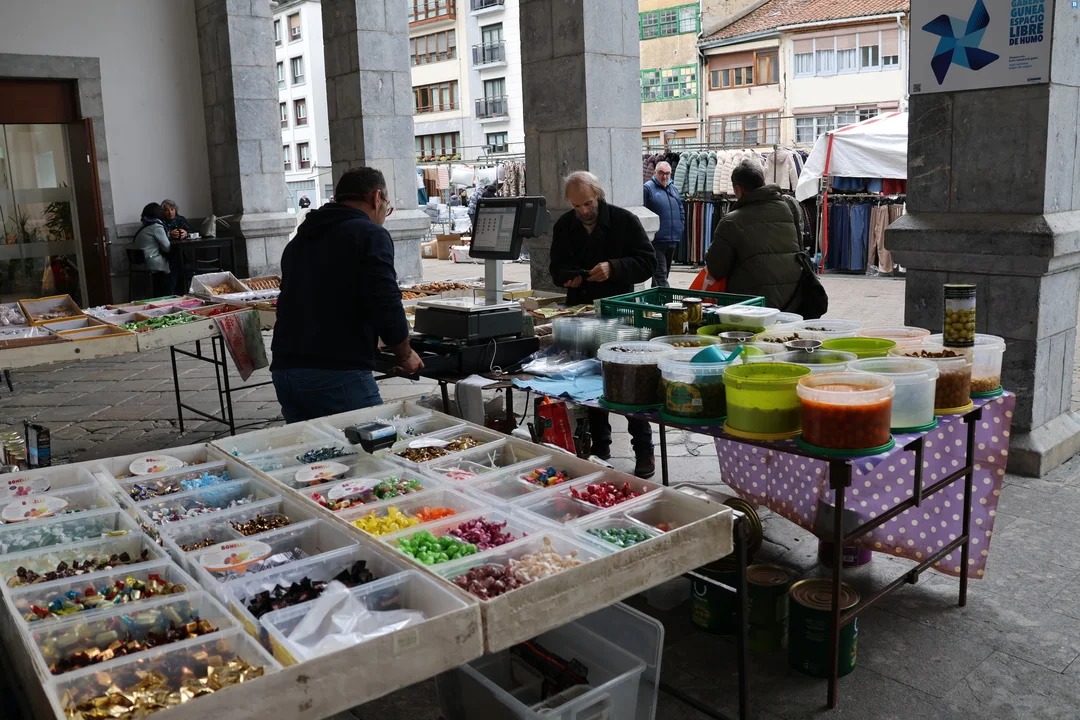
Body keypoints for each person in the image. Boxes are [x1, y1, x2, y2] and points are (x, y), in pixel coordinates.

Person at [271, 167, 423, 423]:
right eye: (387, 206)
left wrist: (366, 335)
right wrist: (405, 354)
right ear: (376, 197)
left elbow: (321, 294)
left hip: (286, 368)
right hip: (336, 370)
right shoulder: (370, 234)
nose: (384, 214)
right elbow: (385, 300)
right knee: (374, 442)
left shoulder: (302, 236)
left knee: (314, 445)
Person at [548, 171, 657, 478]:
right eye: (576, 206)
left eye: (588, 203)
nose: (583, 211)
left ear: (598, 195)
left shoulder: (624, 220)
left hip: (619, 314)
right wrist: (568, 277)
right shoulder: (565, 225)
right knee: (588, 382)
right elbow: (555, 269)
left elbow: (648, 263)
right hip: (582, 312)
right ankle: (600, 444)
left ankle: (644, 449)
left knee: (630, 383)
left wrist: (614, 267)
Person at [705, 160, 803, 310]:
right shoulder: (789, 207)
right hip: (794, 302)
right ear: (763, 183)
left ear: (738, 190)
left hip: (752, 307)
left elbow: (716, 269)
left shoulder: (731, 222)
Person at [642, 161, 684, 288]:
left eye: (667, 173)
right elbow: (643, 213)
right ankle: (668, 300)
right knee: (661, 278)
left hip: (672, 240)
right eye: (661, 173)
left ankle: (656, 299)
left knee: (661, 278)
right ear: (655, 172)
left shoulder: (673, 189)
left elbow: (681, 210)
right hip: (656, 242)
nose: (665, 176)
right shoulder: (648, 188)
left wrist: (680, 229)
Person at [133, 202, 172, 297]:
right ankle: (172, 295)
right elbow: (167, 247)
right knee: (176, 264)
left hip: (141, 262)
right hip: (153, 262)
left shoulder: (145, 226)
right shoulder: (156, 226)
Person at [161, 200, 191, 295]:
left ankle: (183, 291)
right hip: (167, 251)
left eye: (172, 209)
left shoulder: (181, 219)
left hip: (183, 251)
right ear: (163, 212)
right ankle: (174, 292)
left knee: (182, 265)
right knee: (175, 265)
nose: (170, 212)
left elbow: (191, 231)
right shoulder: (161, 222)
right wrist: (169, 234)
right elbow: (161, 237)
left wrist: (186, 233)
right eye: (167, 210)